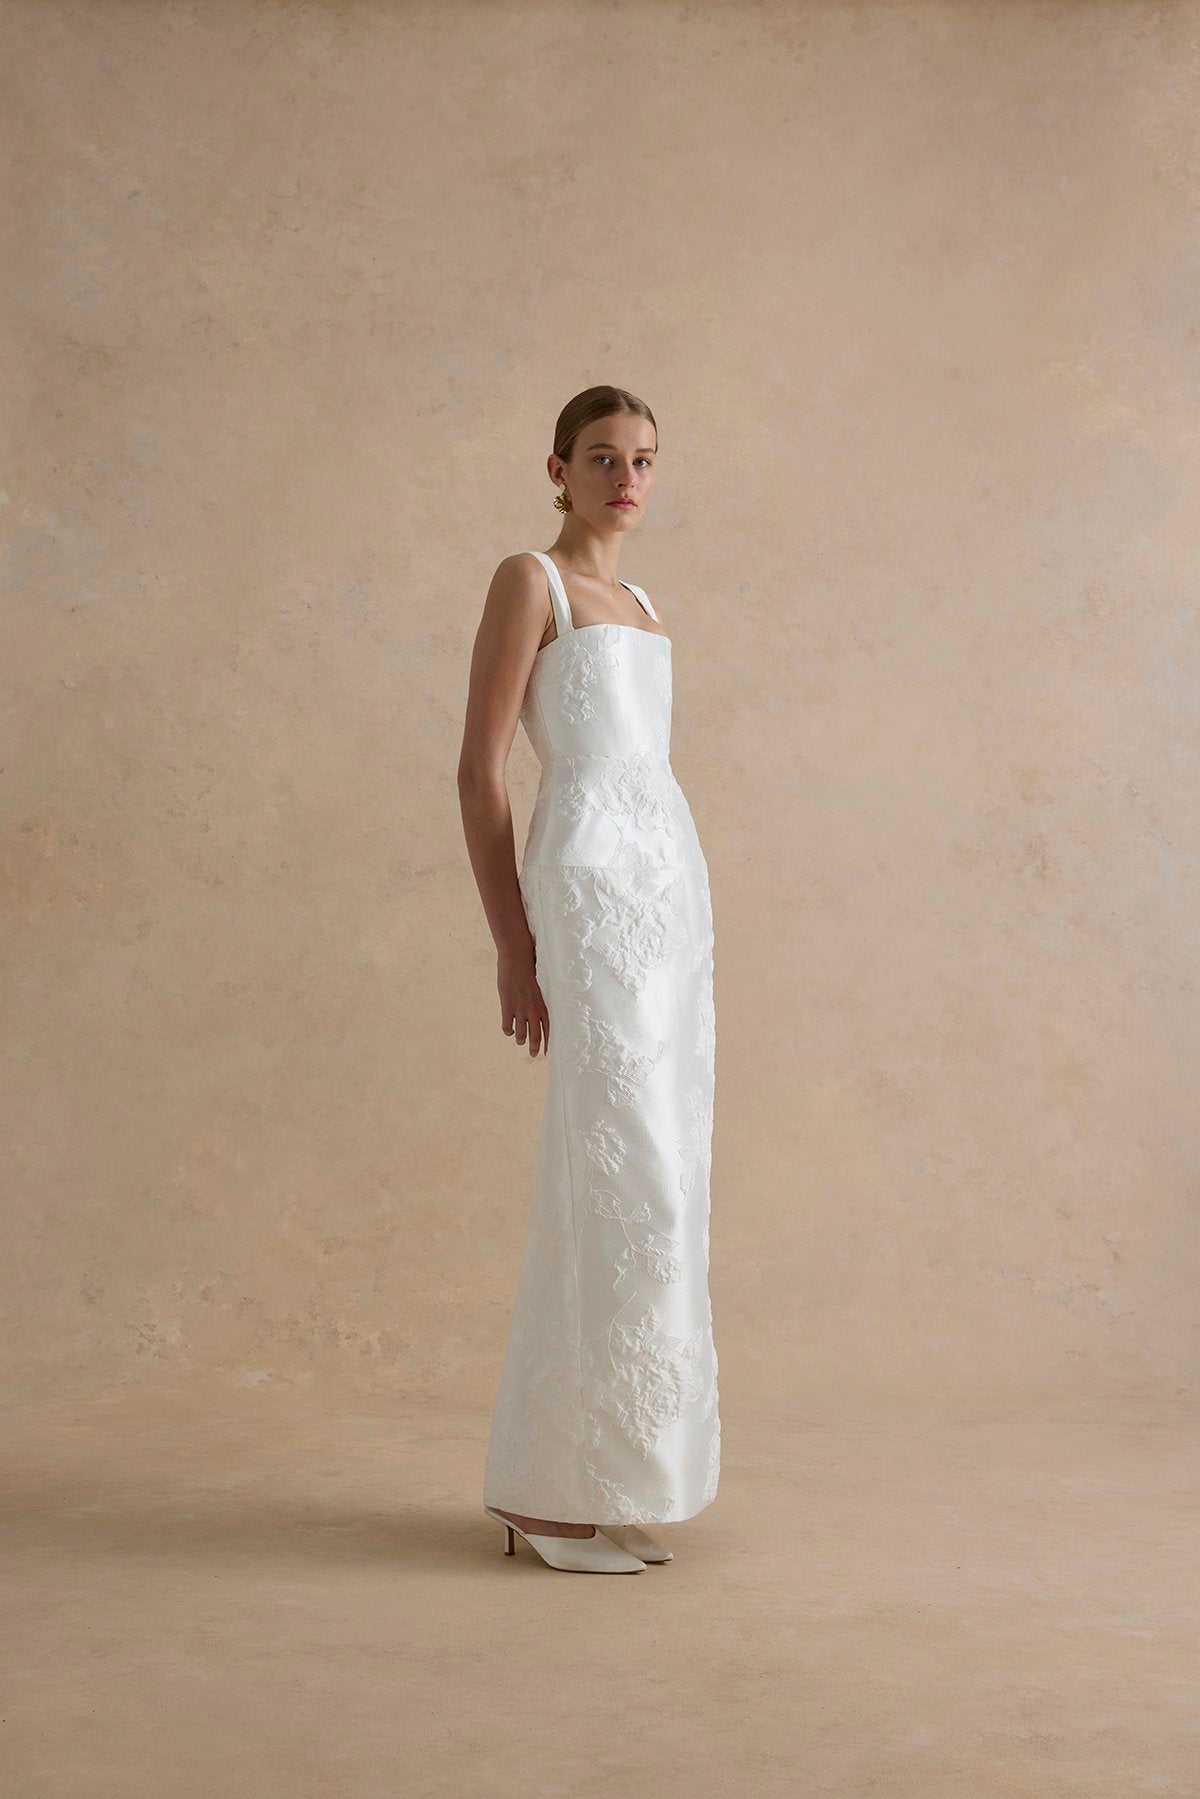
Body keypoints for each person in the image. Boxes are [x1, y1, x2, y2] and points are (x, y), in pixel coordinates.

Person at [457, 384, 720, 1575]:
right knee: (613, 1165)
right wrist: (512, 943)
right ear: (557, 469)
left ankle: (607, 1473)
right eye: (603, 457)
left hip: (670, 894)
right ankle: (545, 1492)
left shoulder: (648, 607)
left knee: (664, 1177)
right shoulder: (534, 581)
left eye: (645, 459)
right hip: (587, 891)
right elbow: (480, 771)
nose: (627, 478)